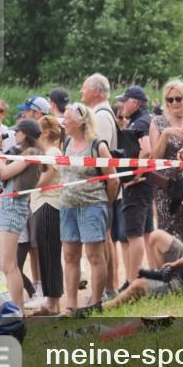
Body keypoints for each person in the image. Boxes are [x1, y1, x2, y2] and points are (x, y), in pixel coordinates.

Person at [59, 103, 118, 315]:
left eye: (67, 118)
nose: (64, 122)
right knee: (70, 256)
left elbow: (113, 179)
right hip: (68, 206)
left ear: (80, 121)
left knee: (94, 255)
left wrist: (105, 203)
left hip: (93, 205)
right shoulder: (66, 142)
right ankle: (71, 306)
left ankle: (95, 302)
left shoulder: (97, 146)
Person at [0, 119, 42, 307]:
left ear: (25, 134)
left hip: (13, 206)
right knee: (9, 265)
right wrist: (0, 168)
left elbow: (5, 173)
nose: (14, 135)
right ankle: (16, 308)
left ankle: (17, 309)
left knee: (9, 266)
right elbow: (6, 174)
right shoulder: (27, 153)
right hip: (9, 204)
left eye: (17, 132)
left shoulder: (31, 152)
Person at [80, 72, 121, 296]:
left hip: (103, 187)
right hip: (102, 186)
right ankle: (109, 287)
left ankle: (109, 287)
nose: (81, 91)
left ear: (96, 91)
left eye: (85, 87)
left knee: (104, 239)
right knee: (105, 238)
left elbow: (100, 153)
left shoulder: (101, 116)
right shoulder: (101, 113)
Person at [115, 85, 153, 282]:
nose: (121, 104)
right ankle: (152, 274)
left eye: (125, 100)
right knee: (146, 232)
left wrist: (135, 175)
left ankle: (132, 281)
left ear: (135, 103)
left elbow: (146, 150)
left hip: (138, 185)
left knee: (134, 235)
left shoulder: (140, 122)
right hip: (147, 183)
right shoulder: (144, 119)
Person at [27, 115, 64, 315]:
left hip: (49, 204)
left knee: (50, 254)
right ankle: (51, 299)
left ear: (46, 132)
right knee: (46, 253)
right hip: (41, 205)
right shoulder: (46, 152)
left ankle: (53, 300)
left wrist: (23, 181)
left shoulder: (52, 152)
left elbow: (43, 180)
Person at [149, 79, 183, 244]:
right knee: (167, 232)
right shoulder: (158, 122)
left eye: (178, 99)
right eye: (170, 99)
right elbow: (155, 158)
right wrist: (166, 134)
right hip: (166, 187)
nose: (174, 103)